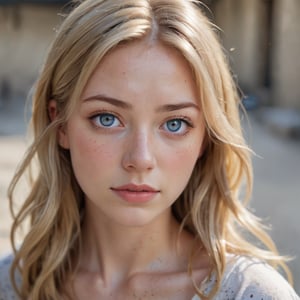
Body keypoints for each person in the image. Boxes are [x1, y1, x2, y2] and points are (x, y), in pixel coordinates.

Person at [0, 0, 299, 299]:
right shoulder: (13, 282)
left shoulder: (250, 292)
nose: (140, 159)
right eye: (107, 119)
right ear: (61, 125)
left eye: (175, 124)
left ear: (205, 138)